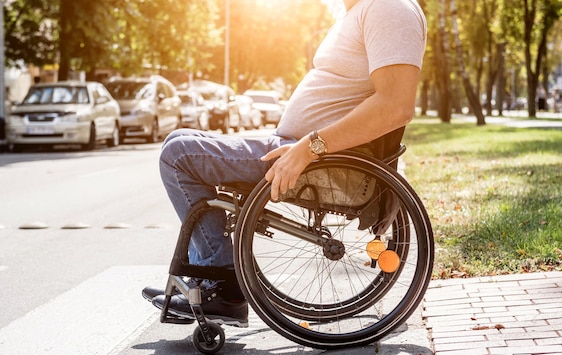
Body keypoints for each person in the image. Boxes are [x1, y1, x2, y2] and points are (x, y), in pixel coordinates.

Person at [143, 0, 427, 328]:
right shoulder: (363, 10)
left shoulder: (389, 8)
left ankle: (222, 286)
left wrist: (309, 148)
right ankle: (217, 281)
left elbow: (396, 105)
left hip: (318, 158)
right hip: (303, 149)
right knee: (177, 141)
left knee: (179, 156)